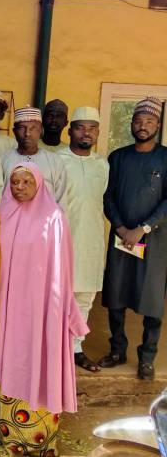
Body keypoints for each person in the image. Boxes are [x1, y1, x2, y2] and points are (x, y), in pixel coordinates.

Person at [0, 163, 88, 456]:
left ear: (40, 184)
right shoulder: (2, 214)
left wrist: (58, 310)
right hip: (7, 305)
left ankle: (40, 440)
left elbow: (62, 270)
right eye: (15, 182)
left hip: (42, 308)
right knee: (11, 359)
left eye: (26, 181)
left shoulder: (54, 218)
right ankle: (11, 437)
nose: (19, 187)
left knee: (40, 360)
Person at [99, 97, 167, 380]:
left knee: (151, 301)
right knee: (115, 295)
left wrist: (144, 228)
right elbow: (108, 195)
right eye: (138, 121)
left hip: (155, 242)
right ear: (131, 124)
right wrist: (121, 227)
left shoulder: (165, 157)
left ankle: (147, 356)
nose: (142, 126)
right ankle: (117, 349)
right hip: (121, 239)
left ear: (158, 125)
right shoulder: (118, 157)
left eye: (149, 121)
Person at [58, 106, 109, 373]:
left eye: (92, 128)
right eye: (80, 127)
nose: (86, 132)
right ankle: (55, 348)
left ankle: (76, 348)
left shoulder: (102, 165)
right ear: (70, 130)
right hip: (61, 242)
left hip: (90, 241)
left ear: (98, 132)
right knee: (58, 298)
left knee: (84, 298)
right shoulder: (57, 160)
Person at [1, 106, 67, 208]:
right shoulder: (3, 159)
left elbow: (61, 202)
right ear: (14, 132)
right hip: (9, 222)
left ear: (41, 131)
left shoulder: (54, 161)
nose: (27, 133)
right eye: (22, 128)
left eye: (33, 128)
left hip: (44, 222)